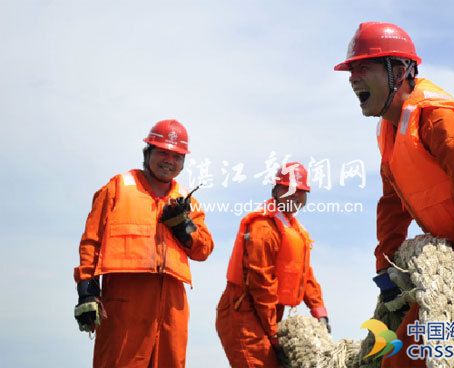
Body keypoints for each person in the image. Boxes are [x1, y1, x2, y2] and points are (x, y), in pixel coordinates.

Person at [334, 22, 454, 368]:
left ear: (399, 70)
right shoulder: (390, 134)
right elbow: (392, 207)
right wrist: (387, 270)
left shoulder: (440, 121)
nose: (353, 77)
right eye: (351, 69)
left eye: (363, 67)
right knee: (401, 359)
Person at [73, 119, 214, 368]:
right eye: (162, 152)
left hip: (172, 303)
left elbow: (203, 249)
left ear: (183, 162)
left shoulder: (184, 200)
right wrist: (87, 293)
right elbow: (91, 241)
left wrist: (183, 228)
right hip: (126, 297)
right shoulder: (118, 187)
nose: (169, 160)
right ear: (147, 152)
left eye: (176, 156)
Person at [216, 162, 330, 367]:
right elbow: (261, 284)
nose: (295, 195)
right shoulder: (263, 228)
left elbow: (305, 274)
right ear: (276, 191)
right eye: (289, 189)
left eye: (301, 191)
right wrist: (274, 332)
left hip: (268, 313)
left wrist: (319, 311)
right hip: (243, 312)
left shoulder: (294, 229)